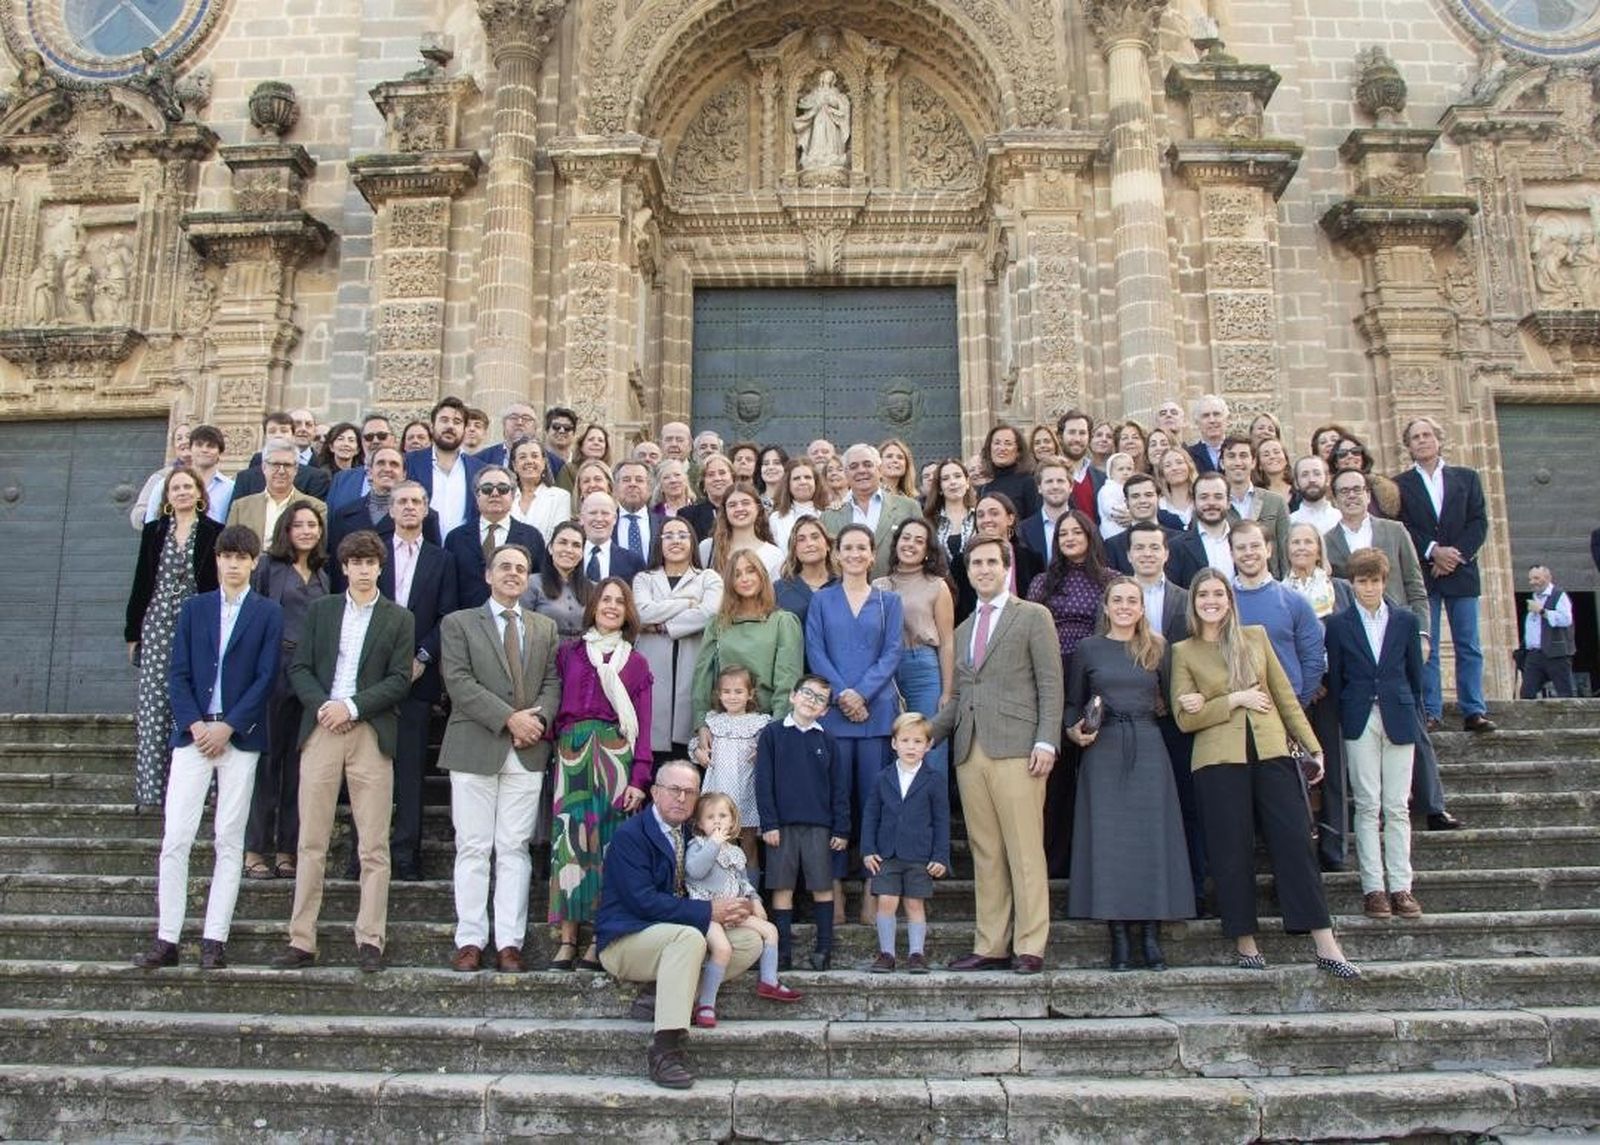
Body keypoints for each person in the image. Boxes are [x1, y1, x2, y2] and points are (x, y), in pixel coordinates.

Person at [1170, 569, 1358, 979]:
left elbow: (1284, 697)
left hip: (1271, 749)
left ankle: (1325, 943)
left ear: (1229, 599)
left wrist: (1313, 746)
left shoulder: (1254, 637)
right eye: (1204, 595)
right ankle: (1245, 941)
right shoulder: (1184, 652)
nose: (1212, 601)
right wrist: (1234, 698)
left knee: (1294, 843)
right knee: (1231, 851)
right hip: (1218, 761)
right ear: (1194, 602)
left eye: (1219, 593)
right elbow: (1184, 718)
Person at [134, 526, 284, 970]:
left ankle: (214, 938)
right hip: (193, 736)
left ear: (254, 562)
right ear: (217, 560)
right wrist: (196, 724)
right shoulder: (194, 609)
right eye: (227, 556)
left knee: (228, 838)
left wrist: (231, 725)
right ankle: (168, 937)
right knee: (176, 838)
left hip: (240, 738)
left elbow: (265, 677)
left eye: (242, 557)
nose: (234, 564)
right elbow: (177, 673)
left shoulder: (267, 613)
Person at [275, 530, 415, 972]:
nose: (362, 570)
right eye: (355, 563)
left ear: (380, 567)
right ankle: (302, 939)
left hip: (370, 731)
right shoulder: (322, 611)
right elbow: (299, 667)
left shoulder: (399, 618)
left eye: (370, 563)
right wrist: (325, 707)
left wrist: (352, 706)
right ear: (344, 567)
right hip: (320, 729)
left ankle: (371, 938)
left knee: (373, 844)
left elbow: (398, 679)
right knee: (310, 840)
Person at [930, 537, 1063, 974]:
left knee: (1024, 849)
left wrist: (1046, 740)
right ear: (967, 572)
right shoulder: (965, 629)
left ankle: (1030, 944)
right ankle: (991, 943)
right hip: (971, 749)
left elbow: (1050, 684)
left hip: (1018, 747)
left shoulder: (1033, 617)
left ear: (1006, 567)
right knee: (985, 851)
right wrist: (926, 731)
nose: (983, 569)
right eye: (976, 563)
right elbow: (962, 694)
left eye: (991, 562)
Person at [595, 761, 763, 1089]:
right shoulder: (632, 835)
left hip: (674, 934)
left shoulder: (692, 834)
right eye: (674, 789)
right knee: (688, 938)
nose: (681, 798)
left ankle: (660, 996)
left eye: (689, 792)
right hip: (628, 938)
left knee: (748, 942)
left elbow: (718, 878)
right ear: (655, 792)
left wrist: (739, 904)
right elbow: (642, 902)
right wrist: (707, 911)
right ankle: (665, 1049)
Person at [439, 543, 562, 973]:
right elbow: (457, 681)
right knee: (473, 846)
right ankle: (470, 939)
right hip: (475, 745)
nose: (512, 573)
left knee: (514, 849)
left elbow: (551, 683)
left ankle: (510, 941)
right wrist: (509, 718)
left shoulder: (544, 628)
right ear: (488, 575)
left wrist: (538, 720)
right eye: (504, 566)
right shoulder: (459, 624)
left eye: (521, 568)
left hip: (527, 751)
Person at [1064, 578, 1193, 971]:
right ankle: (1118, 934)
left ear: (1141, 608)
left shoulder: (1158, 647)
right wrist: (1073, 730)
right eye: (1117, 600)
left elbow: (1173, 701)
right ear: (1106, 606)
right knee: (1110, 842)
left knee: (1150, 840)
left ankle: (1151, 935)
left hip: (1149, 747)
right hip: (1103, 749)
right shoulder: (1089, 648)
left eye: (1131, 601)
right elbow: (1073, 703)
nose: (1124, 606)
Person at [1324, 470, 1462, 832]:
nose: (1352, 496)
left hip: (1399, 638)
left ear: (1368, 494)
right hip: (1358, 644)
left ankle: (1433, 804)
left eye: (1357, 489)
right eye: (1344, 491)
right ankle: (1376, 808)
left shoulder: (1394, 532)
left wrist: (1423, 634)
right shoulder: (1328, 541)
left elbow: (1416, 587)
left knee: (1413, 720)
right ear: (1334, 498)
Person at [547, 578, 653, 971]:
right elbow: (555, 701)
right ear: (593, 607)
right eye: (605, 600)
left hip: (614, 756)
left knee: (607, 848)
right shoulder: (570, 653)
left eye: (619, 602)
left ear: (628, 613)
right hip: (573, 754)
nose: (611, 607)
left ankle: (599, 937)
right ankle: (567, 938)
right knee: (569, 845)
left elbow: (642, 722)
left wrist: (640, 777)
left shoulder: (636, 663)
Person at [805, 523, 904, 922]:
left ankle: (870, 888)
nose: (855, 554)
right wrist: (843, 693)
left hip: (876, 716)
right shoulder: (822, 601)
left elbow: (893, 651)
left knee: (873, 805)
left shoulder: (888, 603)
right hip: (833, 715)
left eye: (862, 547)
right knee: (834, 804)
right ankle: (833, 890)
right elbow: (815, 650)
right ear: (837, 553)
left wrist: (861, 693)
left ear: (872, 552)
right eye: (848, 547)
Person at [1324, 548, 1426, 922]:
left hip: (1398, 714)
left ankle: (1402, 886)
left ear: (1385, 582)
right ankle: (1374, 888)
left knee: (1397, 805)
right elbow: (1336, 677)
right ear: (1352, 584)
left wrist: (1412, 709)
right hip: (1358, 716)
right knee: (1367, 804)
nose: (1369, 588)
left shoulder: (1404, 621)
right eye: (1362, 582)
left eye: (1375, 581)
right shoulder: (1338, 625)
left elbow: (1415, 672)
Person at [126, 466, 223, 809]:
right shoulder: (154, 531)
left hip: (198, 623)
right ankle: (152, 789)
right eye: (175, 488)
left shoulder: (215, 533)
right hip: (157, 621)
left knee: (197, 699)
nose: (182, 492)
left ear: (200, 493)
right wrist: (132, 632)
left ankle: (199, 790)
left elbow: (217, 586)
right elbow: (141, 582)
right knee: (155, 703)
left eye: (188, 486)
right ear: (167, 496)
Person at [244, 502, 330, 882]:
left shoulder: (327, 573)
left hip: (312, 678)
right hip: (274, 671)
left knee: (301, 766)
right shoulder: (267, 568)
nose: (308, 531)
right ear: (286, 530)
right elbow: (253, 619)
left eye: (313, 525)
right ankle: (254, 848)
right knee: (267, 762)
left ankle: (286, 849)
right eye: (300, 525)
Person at [377, 481, 458, 881]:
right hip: (372, 679)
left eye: (417, 502)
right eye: (402, 502)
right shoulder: (372, 554)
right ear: (390, 509)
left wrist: (422, 657)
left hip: (418, 677)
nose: (409, 508)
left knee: (410, 769)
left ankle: (407, 852)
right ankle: (368, 851)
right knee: (371, 769)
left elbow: (447, 615)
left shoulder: (441, 560)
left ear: (427, 509)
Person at [1027, 509, 1114, 877]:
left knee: (1096, 772)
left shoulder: (1112, 581)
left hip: (1096, 675)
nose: (1070, 538)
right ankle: (1055, 862)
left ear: (1090, 536)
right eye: (1063, 534)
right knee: (1057, 777)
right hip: (1051, 676)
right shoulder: (1042, 583)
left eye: (1077, 532)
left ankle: (1095, 860)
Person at [1394, 416, 1495, 733]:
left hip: (1461, 572)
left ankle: (1473, 710)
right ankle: (1431, 711)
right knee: (1428, 644)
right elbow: (1404, 525)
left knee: (1469, 644)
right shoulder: (1401, 484)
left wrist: (1454, 555)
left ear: (1439, 439)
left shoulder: (1466, 478)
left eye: (1427, 435)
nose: (1422, 441)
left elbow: (1478, 521)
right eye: (1415, 437)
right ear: (1408, 446)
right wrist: (1433, 550)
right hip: (1426, 572)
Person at [756, 675, 850, 970]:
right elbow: (763, 782)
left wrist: (841, 827)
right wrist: (768, 823)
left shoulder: (828, 741)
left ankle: (824, 950)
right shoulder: (772, 735)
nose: (812, 700)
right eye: (807, 693)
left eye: (820, 698)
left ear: (825, 710)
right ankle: (782, 952)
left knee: (822, 886)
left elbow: (839, 788)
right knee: (782, 888)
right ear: (793, 696)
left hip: (819, 826)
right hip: (781, 827)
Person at [684, 791, 801, 1027]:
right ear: (699, 823)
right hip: (708, 912)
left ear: (733, 820)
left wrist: (755, 900)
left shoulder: (735, 852)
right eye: (710, 817)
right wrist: (713, 844)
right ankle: (706, 1003)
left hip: (734, 910)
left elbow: (743, 882)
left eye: (723, 816)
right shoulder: (697, 846)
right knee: (723, 949)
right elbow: (695, 871)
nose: (717, 821)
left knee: (770, 931)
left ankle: (768, 980)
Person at [1283, 521, 1356, 873]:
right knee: (1294, 767)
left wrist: (1324, 678)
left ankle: (1335, 844)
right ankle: (1301, 843)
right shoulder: (1280, 591)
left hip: (1331, 688)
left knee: (1333, 766)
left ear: (1318, 548)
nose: (1301, 548)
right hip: (1293, 689)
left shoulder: (1338, 590)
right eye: (1295, 542)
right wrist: (1306, 681)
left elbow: (1346, 638)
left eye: (1307, 542)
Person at [862, 711, 951, 974]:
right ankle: (886, 953)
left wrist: (940, 856)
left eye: (917, 742)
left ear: (928, 745)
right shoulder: (882, 778)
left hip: (919, 855)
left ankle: (916, 954)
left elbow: (942, 820)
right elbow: (870, 816)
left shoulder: (934, 780)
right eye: (905, 741)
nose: (911, 747)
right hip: (887, 854)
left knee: (914, 903)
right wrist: (868, 850)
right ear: (894, 743)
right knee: (886, 901)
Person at [634, 518, 722, 760]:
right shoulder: (644, 578)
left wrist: (662, 625)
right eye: (668, 535)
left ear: (692, 542)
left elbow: (708, 614)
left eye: (682, 535)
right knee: (651, 750)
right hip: (653, 670)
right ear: (658, 543)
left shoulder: (708, 578)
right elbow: (641, 612)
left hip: (692, 667)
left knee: (687, 751)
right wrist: (686, 603)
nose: (676, 541)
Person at [873, 517, 955, 775]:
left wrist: (947, 691)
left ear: (927, 550)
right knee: (894, 743)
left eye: (919, 541)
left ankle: (933, 813)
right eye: (906, 538)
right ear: (896, 543)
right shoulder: (879, 586)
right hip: (888, 671)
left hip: (923, 667)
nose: (910, 544)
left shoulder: (936, 585)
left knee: (927, 744)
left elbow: (947, 641)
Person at [692, 550, 804, 728]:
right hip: (722, 724)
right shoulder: (718, 624)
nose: (744, 578)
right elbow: (703, 679)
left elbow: (787, 682)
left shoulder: (783, 622)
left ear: (761, 575)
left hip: (767, 722)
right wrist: (701, 725)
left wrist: (776, 730)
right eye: (737, 574)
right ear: (730, 582)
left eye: (751, 571)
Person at [325, 445, 442, 579]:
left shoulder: (425, 517)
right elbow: (335, 567)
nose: (387, 469)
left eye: (394, 464)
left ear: (404, 474)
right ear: (369, 472)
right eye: (381, 463)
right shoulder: (344, 515)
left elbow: (434, 563)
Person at [695, 665, 770, 868]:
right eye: (726, 692)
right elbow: (697, 747)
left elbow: (769, 751)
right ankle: (725, 892)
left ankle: (750, 894)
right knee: (720, 845)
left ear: (750, 694)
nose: (732, 697)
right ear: (719, 695)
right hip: (719, 792)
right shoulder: (713, 722)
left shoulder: (760, 723)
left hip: (746, 793)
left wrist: (762, 754)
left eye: (738, 691)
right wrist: (699, 753)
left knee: (748, 846)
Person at [444, 464, 546, 611]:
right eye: (487, 489)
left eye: (503, 489)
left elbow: (538, 585)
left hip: (515, 621)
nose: (495, 493)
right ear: (477, 496)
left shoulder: (532, 537)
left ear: (513, 495)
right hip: (466, 623)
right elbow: (448, 588)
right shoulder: (456, 538)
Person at [821, 443, 923, 578]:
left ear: (880, 470)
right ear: (846, 473)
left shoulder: (909, 507)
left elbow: (922, 550)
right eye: (853, 467)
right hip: (847, 595)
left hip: (899, 593)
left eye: (868, 464)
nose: (861, 470)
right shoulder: (829, 517)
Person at [403, 396, 486, 539]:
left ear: (464, 429)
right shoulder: (410, 462)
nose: (450, 426)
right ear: (432, 426)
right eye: (444, 420)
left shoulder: (480, 469)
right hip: (420, 548)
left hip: (463, 552)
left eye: (457, 422)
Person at [227, 441, 327, 556]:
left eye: (287, 465)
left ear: (296, 469)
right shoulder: (241, 507)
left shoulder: (316, 507)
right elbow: (228, 548)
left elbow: (318, 551)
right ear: (264, 467)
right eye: (275, 464)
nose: (281, 471)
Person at [1220, 435, 1291, 578]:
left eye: (1244, 456)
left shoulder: (1275, 502)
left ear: (1253, 462)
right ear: (1222, 463)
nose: (1238, 462)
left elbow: (1285, 550)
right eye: (1231, 456)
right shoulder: (1214, 506)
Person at [231, 411, 329, 502]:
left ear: (293, 435)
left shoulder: (315, 476)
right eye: (272, 431)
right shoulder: (245, 477)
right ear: (265, 436)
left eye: (284, 431)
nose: (278, 435)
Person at [524, 520, 592, 638]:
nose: (569, 550)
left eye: (576, 545)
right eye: (563, 542)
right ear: (550, 548)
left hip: (582, 653)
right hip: (544, 652)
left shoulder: (593, 588)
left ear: (582, 553)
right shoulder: (531, 584)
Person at [1167, 471, 1234, 590]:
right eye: (1204, 497)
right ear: (1194, 502)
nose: (1211, 503)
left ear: (1229, 502)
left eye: (1218, 497)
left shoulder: (1243, 541)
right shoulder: (1176, 547)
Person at [703, 481, 783, 578]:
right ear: (725, 511)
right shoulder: (708, 549)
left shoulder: (774, 554)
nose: (739, 508)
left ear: (757, 508)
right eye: (732, 505)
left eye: (746, 503)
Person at [1521, 563, 1577, 698]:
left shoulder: (1559, 595)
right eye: (1530, 579)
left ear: (1548, 577)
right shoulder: (1535, 597)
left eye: (1536, 578)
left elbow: (1566, 619)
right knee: (1527, 694)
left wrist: (1541, 611)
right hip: (1534, 655)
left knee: (1565, 693)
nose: (1532, 582)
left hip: (1556, 653)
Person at [1104, 473, 1178, 576]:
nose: (1142, 501)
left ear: (1159, 498)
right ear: (1126, 502)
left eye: (1148, 495)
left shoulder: (1179, 540)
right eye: (1135, 496)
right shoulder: (1112, 546)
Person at [773, 516, 838, 630]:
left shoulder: (843, 585)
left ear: (827, 545)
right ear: (794, 549)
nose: (809, 544)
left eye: (815, 537)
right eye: (801, 539)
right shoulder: (779, 589)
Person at [507, 438, 571, 543]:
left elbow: (558, 538)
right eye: (522, 457)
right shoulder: (505, 496)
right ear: (514, 465)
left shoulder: (560, 497)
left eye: (535, 456)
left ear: (544, 462)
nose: (529, 461)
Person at [129, 422, 191, 530]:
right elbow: (138, 514)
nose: (184, 441)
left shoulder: (211, 478)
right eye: (179, 439)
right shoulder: (161, 477)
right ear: (174, 447)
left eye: (188, 437)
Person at [578, 491, 646, 585]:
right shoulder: (569, 556)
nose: (599, 519)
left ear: (614, 519)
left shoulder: (634, 562)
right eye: (593, 513)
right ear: (581, 518)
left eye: (605, 513)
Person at [977, 423, 1041, 521]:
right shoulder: (984, 488)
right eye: (997, 443)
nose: (1002, 448)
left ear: (1018, 451)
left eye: (1008, 443)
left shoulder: (1028, 482)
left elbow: (1034, 522)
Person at [1017, 457, 1075, 564]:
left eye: (1060, 481)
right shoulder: (1023, 531)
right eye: (1049, 481)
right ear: (1039, 487)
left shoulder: (1086, 526)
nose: (1055, 486)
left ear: (1071, 486)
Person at [1054, 410, 1103, 522]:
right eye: (1072, 432)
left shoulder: (1102, 479)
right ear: (1060, 437)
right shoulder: (1047, 477)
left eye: (1082, 433)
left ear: (1089, 437)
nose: (1077, 439)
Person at [767, 458, 823, 551]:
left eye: (808, 477)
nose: (803, 482)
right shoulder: (775, 519)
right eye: (796, 478)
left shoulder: (828, 513)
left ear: (816, 482)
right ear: (788, 484)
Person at [681, 452, 734, 542]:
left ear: (733, 478)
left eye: (722, 473)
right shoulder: (688, 515)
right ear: (703, 484)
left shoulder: (744, 511)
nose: (717, 478)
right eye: (711, 474)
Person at [613, 459, 657, 565]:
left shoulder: (664, 525)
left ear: (650, 489)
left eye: (639, 480)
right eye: (626, 480)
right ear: (615, 488)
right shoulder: (605, 523)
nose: (632, 484)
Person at [472, 402, 538, 468]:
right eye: (513, 417)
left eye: (526, 418)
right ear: (504, 424)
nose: (519, 422)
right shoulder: (480, 459)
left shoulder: (547, 459)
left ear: (535, 427)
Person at [1289, 454, 1340, 534]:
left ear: (1327, 479)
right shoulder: (1290, 523)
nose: (1311, 480)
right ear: (1296, 483)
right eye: (1305, 475)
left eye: (1317, 473)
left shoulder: (1341, 518)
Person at [1097, 452, 1136, 540]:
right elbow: (1110, 509)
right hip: (1112, 533)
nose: (1125, 473)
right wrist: (1129, 510)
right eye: (1120, 469)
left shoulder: (1132, 488)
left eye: (1129, 469)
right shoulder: (1107, 489)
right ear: (1110, 473)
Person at [1156, 447, 1198, 529]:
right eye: (1168, 465)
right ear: (1162, 474)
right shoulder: (1158, 506)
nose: (1174, 468)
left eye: (1179, 462)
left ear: (1189, 467)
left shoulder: (1202, 501)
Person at [1187, 394, 1230, 474]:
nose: (1212, 420)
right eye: (1206, 416)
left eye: (1216, 414)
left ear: (1227, 420)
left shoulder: (1237, 450)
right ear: (1197, 423)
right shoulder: (1188, 455)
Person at [542, 407, 578, 489]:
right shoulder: (539, 461)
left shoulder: (578, 463)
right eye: (556, 426)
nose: (562, 431)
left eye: (567, 428)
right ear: (546, 431)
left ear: (574, 434)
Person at [1255, 437, 1294, 505]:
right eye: (1266, 455)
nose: (1272, 456)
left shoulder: (1299, 489)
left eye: (1276, 452)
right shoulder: (1256, 495)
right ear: (1259, 465)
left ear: (1286, 459)